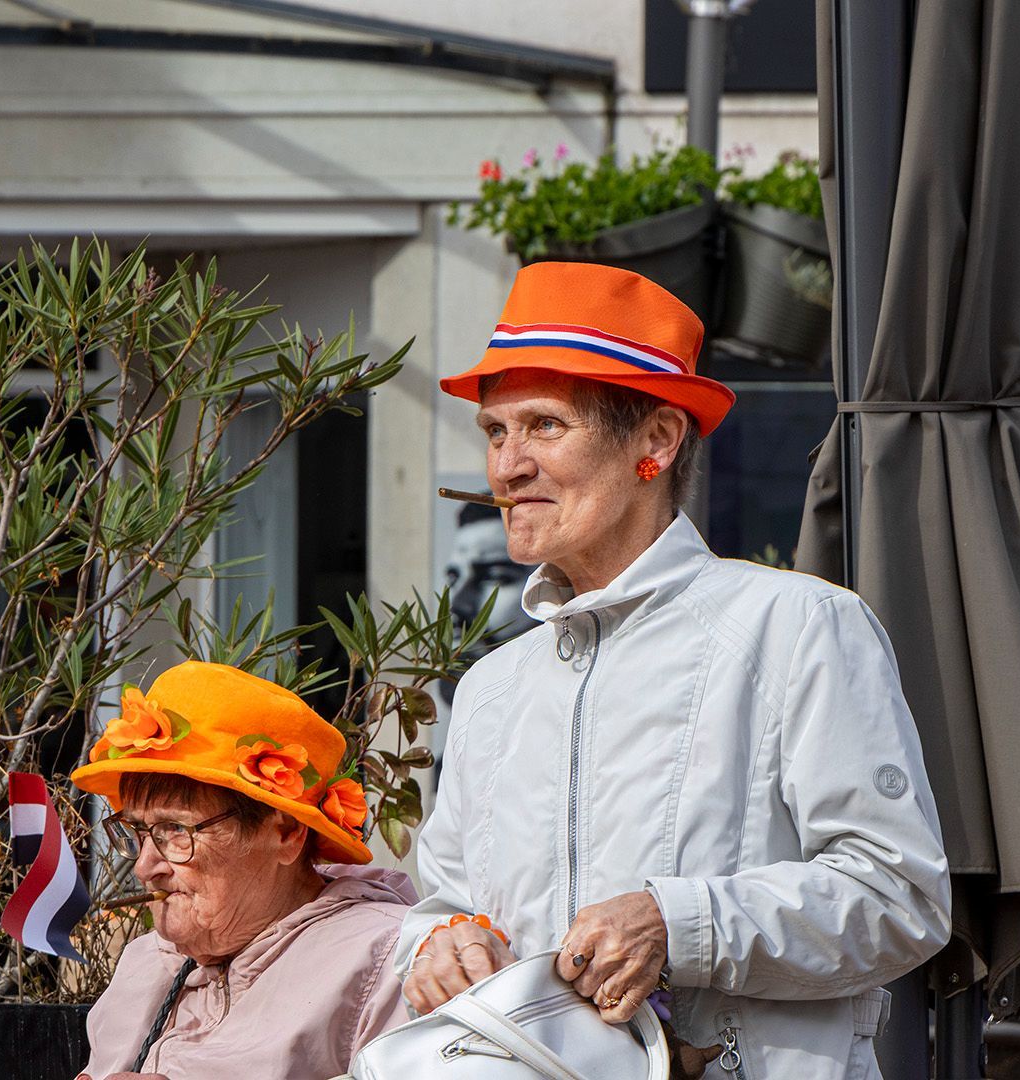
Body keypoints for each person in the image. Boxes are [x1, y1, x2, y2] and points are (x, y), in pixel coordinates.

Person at [395, 262, 952, 1079]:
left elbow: (900, 896)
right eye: (495, 432)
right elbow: (439, 908)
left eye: (545, 426)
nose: (507, 467)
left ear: (656, 441)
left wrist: (677, 923)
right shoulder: (491, 687)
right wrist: (441, 945)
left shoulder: (799, 627)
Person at [71, 661, 413, 1080]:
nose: (144, 865)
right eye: (138, 831)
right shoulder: (144, 960)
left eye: (177, 830)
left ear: (285, 833)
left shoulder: (387, 960)